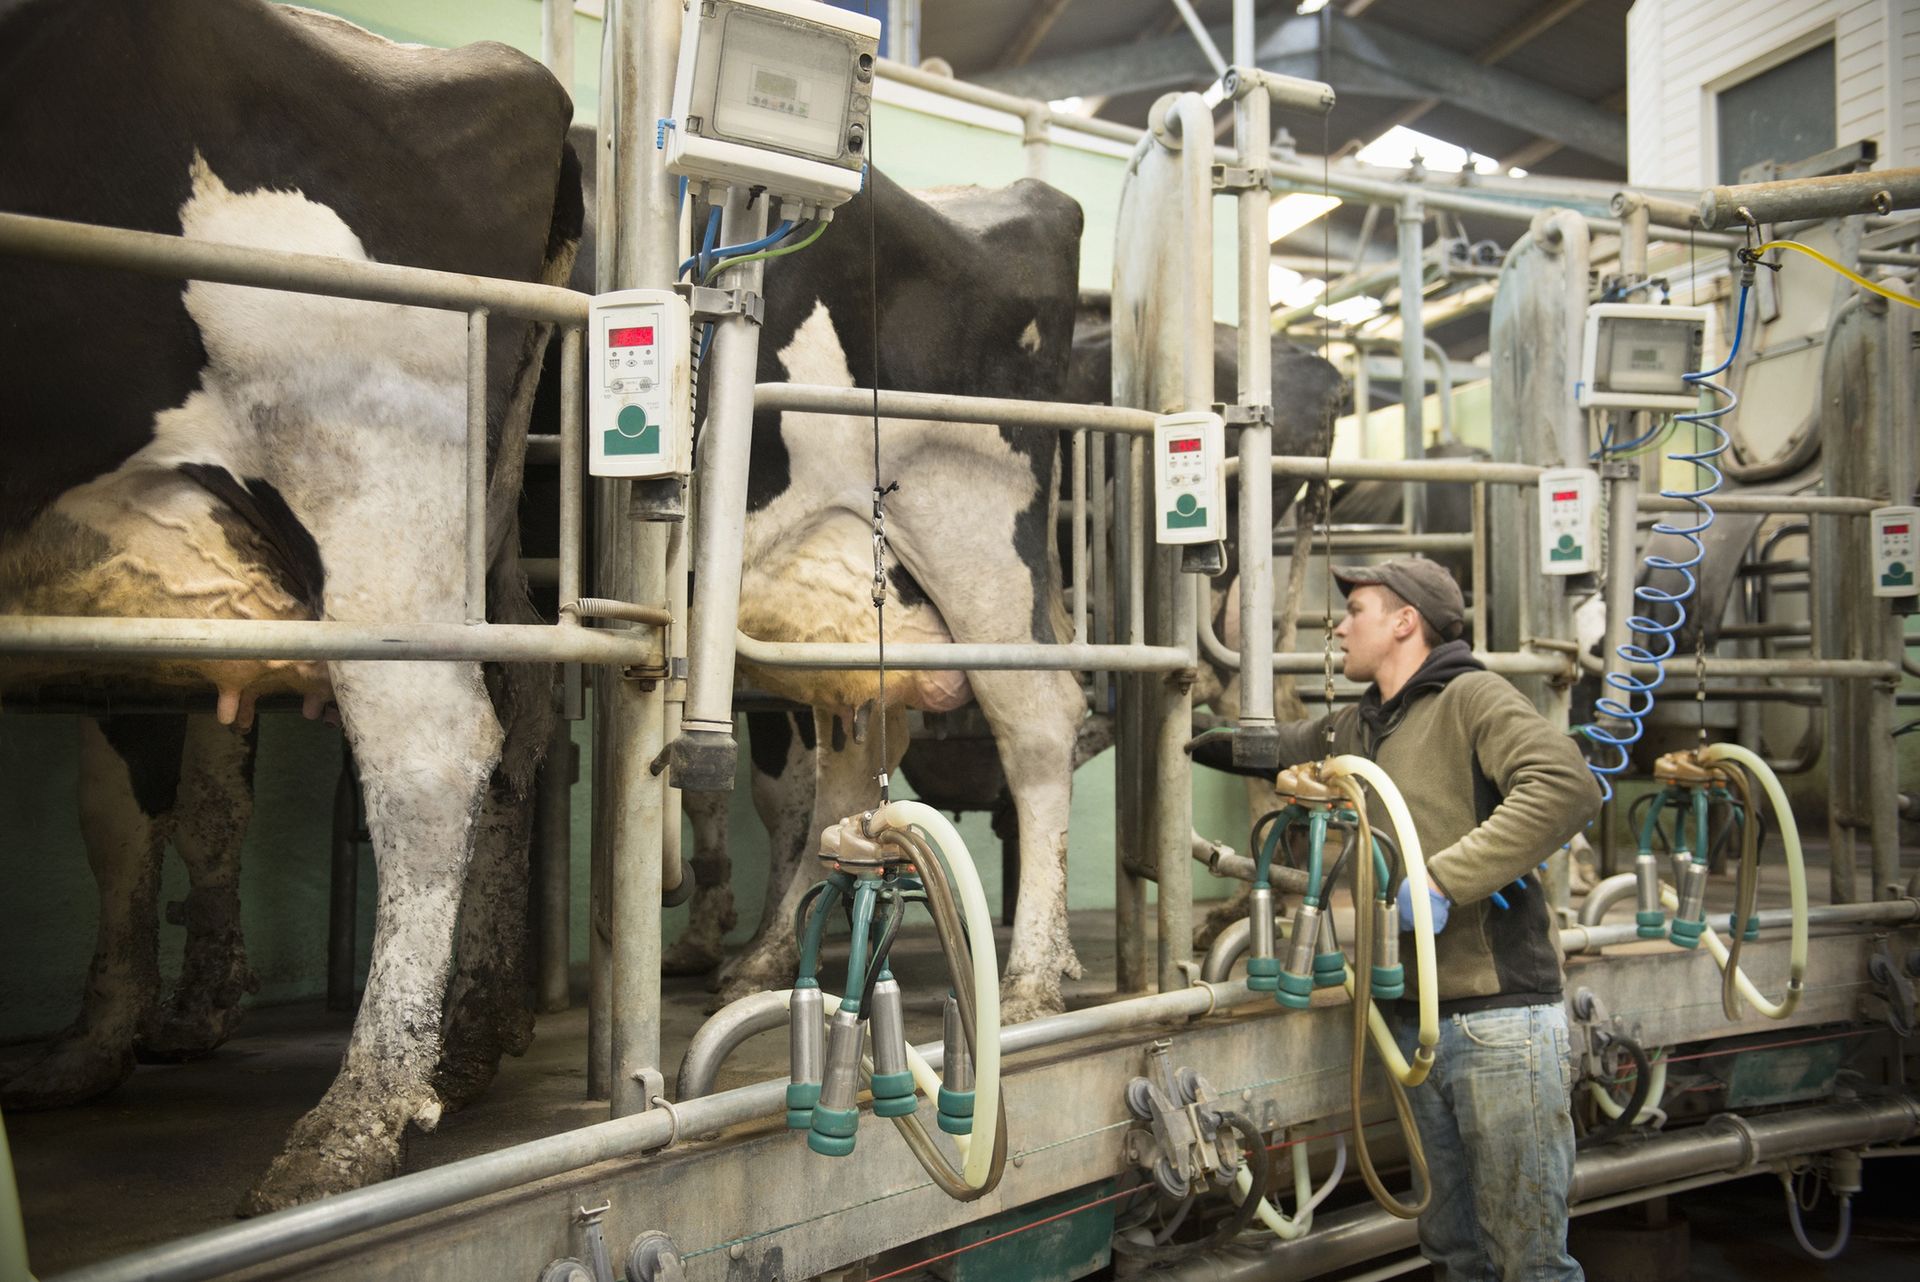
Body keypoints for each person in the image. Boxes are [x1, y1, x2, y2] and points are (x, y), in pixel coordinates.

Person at [1205, 558, 1600, 1280]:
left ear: (1405, 622)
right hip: (1412, 1020)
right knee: (1455, 1251)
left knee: (1529, 1262)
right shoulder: (1362, 726)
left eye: (1356, 610)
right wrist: (1193, 732)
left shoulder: (1472, 698)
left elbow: (1565, 784)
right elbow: (1287, 748)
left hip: (1499, 1019)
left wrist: (1445, 879)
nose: (1339, 626)